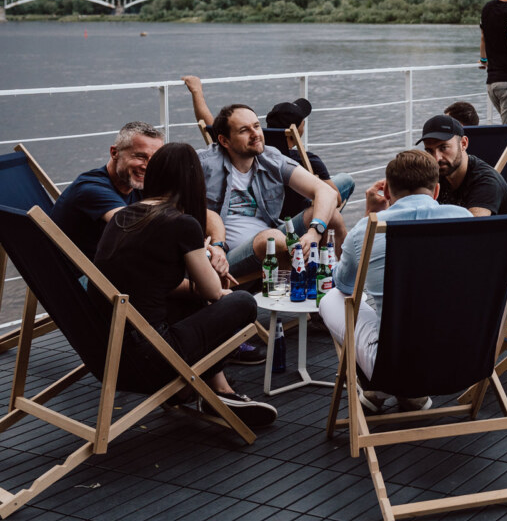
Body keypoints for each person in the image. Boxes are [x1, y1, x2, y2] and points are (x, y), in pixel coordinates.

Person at [92, 143, 276, 427]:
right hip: (152, 357)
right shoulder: (182, 223)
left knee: (191, 298)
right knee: (242, 303)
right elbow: (213, 292)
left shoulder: (123, 216)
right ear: (193, 181)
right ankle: (214, 393)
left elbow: (148, 282)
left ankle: (218, 391)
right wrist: (212, 261)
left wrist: (200, 280)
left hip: (109, 350)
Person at [319, 149, 471, 411]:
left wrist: (369, 216)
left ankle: (383, 387)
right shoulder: (466, 221)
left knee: (333, 297)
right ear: (435, 191)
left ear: (387, 192)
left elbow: (345, 285)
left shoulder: (367, 230)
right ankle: (408, 394)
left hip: (394, 363)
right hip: (462, 357)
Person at [199, 104, 345, 282]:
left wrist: (315, 231)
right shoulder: (203, 164)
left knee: (332, 217)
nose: (255, 134)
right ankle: (307, 292)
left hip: (273, 237)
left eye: (257, 126)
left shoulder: (270, 158)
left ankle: (343, 285)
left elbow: (326, 192)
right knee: (273, 239)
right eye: (244, 130)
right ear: (224, 141)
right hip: (227, 254)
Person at [180, 76, 354, 217]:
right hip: (291, 217)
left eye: (255, 126)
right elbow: (335, 199)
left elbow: (209, 124)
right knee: (346, 181)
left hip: (270, 216)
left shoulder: (244, 147)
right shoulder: (305, 159)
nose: (254, 132)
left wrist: (197, 92)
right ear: (295, 129)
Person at [52, 121, 164, 260]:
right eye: (140, 156)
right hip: (86, 276)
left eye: (154, 160)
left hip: (110, 266)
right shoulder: (91, 189)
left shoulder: (136, 183)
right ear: (114, 152)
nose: (147, 166)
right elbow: (129, 225)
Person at [419, 114, 507, 216]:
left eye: (443, 148)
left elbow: (472, 228)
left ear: (463, 144)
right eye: (429, 151)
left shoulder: (486, 181)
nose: (436, 158)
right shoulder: (436, 174)